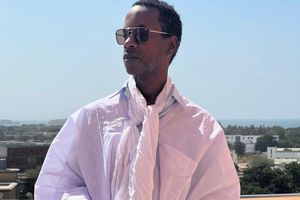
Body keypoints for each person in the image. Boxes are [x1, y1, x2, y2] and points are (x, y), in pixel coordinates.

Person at [35, 0, 240, 199]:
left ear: (171, 45)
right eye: (125, 34)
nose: (128, 42)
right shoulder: (91, 120)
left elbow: (220, 193)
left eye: (141, 34)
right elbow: (56, 184)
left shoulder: (202, 129)